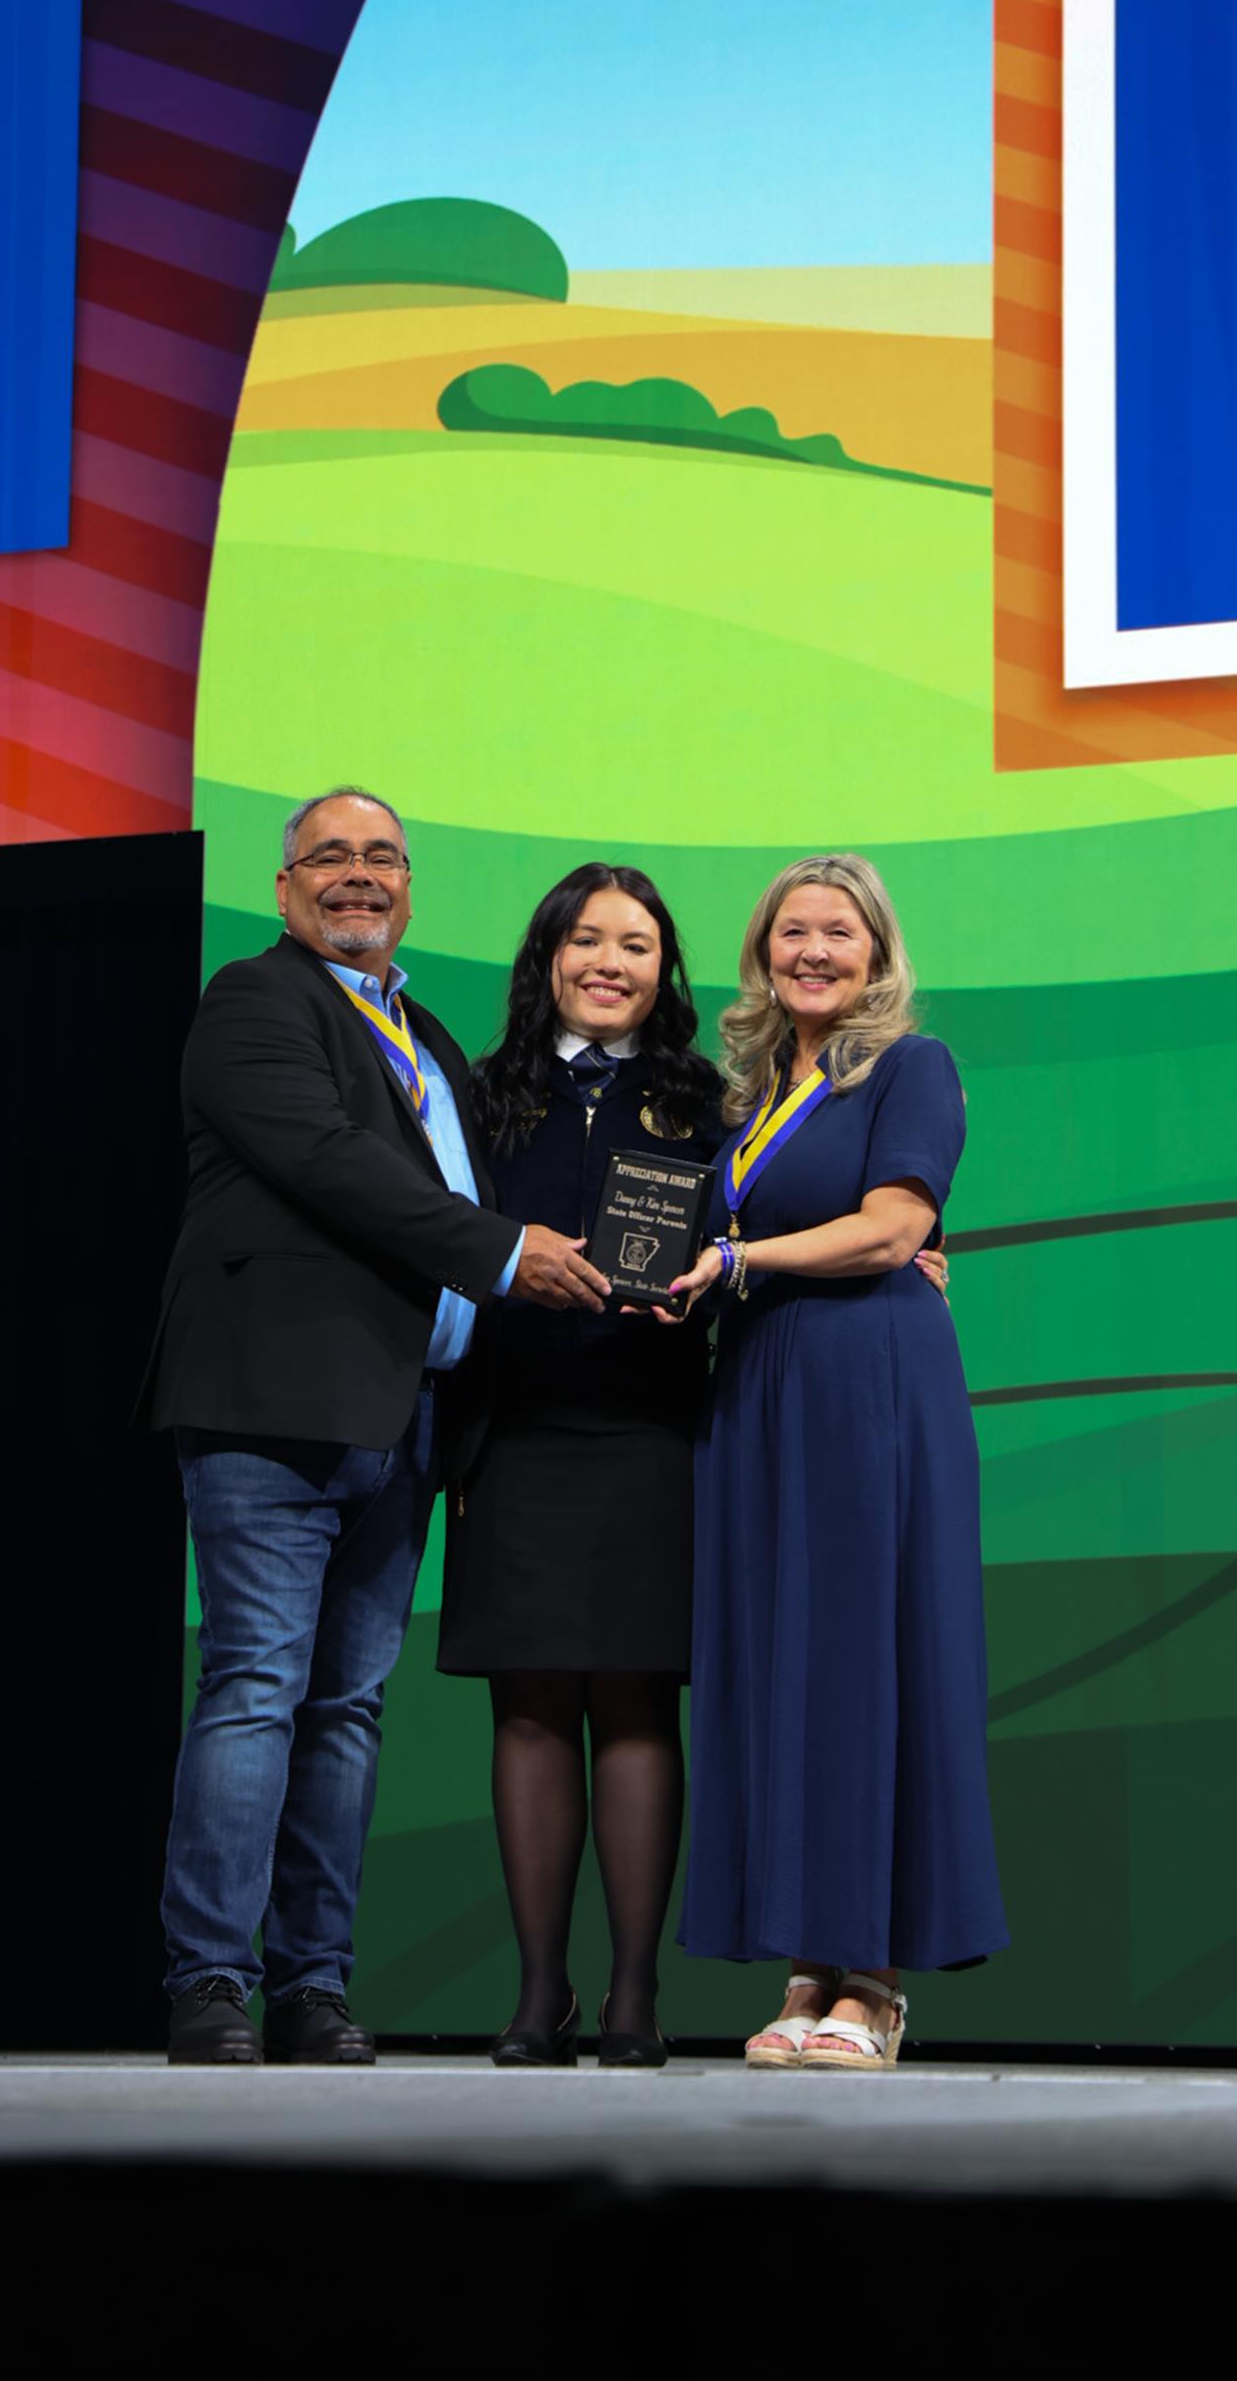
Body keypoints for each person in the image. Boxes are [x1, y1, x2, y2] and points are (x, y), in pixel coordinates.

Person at [146, 789, 608, 2066]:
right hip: (275, 1407)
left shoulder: (425, 1031)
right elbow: (331, 1164)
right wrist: (504, 1252)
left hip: (406, 1415)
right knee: (256, 1685)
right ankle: (211, 1981)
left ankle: (313, 1987)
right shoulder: (255, 999)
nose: (359, 876)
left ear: (408, 887)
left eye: (383, 858)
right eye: (331, 857)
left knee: (347, 1709)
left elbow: (495, 1180)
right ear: (285, 887)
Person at [671, 853, 1006, 2067]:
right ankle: (808, 1965)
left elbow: (894, 1227)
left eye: (839, 932)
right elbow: (722, 1237)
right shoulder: (754, 1094)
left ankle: (873, 1979)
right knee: (787, 1667)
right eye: (791, 931)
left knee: (869, 1660)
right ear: (762, 953)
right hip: (763, 1383)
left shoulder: (911, 1066)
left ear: (877, 953)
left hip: (872, 1381)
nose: (813, 951)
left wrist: (744, 1261)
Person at [438, 865, 726, 2068]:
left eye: (637, 944)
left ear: (665, 969)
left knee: (639, 1702)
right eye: (588, 939)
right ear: (547, 955)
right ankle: (539, 1992)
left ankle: (634, 1995)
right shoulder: (479, 1093)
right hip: (515, 1426)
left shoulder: (709, 1098)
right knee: (530, 1704)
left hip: (653, 1431)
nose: (610, 962)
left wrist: (709, 1283)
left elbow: (763, 1232)